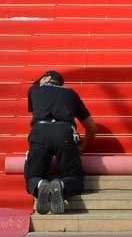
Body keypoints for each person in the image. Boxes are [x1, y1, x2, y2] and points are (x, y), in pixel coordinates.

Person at [25, 71, 97, 214]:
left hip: (40, 131)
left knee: (32, 176)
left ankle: (40, 185)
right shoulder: (71, 93)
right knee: (74, 177)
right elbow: (91, 127)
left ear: (46, 78)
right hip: (64, 132)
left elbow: (35, 110)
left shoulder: (34, 89)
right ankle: (61, 184)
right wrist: (83, 146)